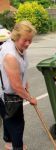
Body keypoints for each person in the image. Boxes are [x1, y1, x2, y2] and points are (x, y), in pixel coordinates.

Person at [0, 20, 37, 150]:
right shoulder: (10, 56)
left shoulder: (17, 45)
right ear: (16, 37)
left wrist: (25, 81)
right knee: (17, 124)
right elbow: (15, 86)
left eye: (30, 40)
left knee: (8, 119)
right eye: (25, 40)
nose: (28, 43)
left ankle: (9, 143)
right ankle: (17, 147)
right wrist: (29, 98)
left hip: (7, 91)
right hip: (8, 95)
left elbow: (21, 69)